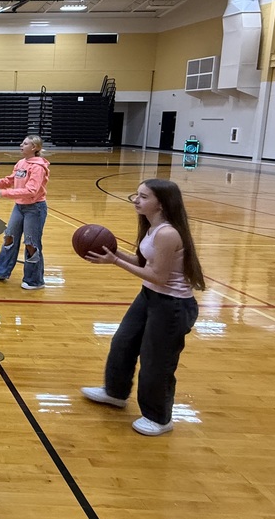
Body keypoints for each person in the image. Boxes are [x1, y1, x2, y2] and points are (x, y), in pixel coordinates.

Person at [80, 179, 205, 437]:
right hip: (150, 296)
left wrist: (114, 261)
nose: (136, 200)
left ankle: (159, 418)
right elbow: (142, 260)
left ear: (161, 202)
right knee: (123, 341)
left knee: (156, 362)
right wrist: (111, 252)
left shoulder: (168, 233)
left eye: (144, 196)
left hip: (172, 305)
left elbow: (157, 275)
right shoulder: (151, 227)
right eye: (136, 195)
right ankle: (115, 393)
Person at [0, 135, 50, 289]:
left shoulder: (38, 167)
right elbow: (10, 179)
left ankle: (35, 280)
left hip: (35, 208)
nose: (21, 145)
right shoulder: (21, 163)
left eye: (25, 143)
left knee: (31, 244)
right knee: (9, 238)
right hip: (19, 207)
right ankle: (2, 272)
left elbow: (31, 191)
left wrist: (3, 194)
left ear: (34, 147)